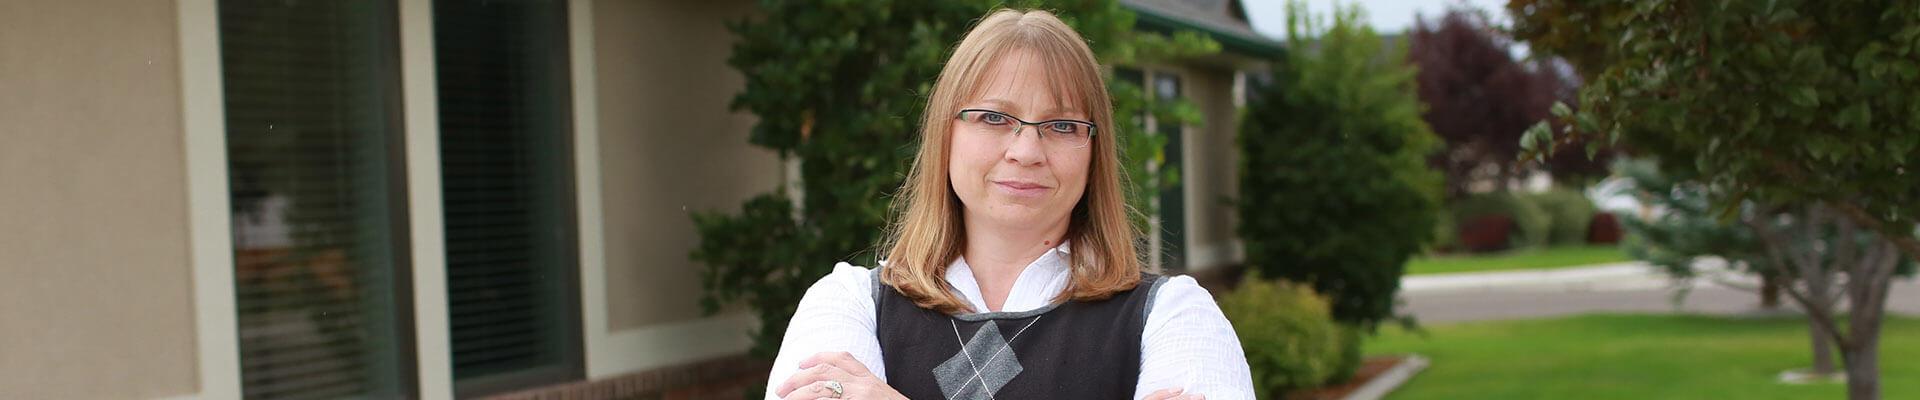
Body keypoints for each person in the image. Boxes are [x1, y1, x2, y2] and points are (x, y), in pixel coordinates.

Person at [765, 8, 1254, 400]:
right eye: (995, 117)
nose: (1025, 151)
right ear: (945, 135)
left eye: (1062, 125)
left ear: (1094, 152)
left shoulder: (1172, 316)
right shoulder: (848, 304)